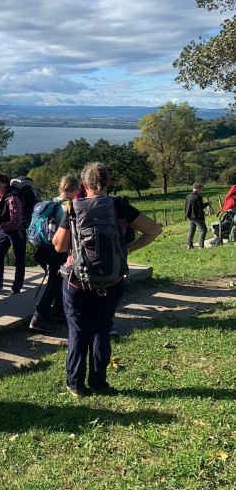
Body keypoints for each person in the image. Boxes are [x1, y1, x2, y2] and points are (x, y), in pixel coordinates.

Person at [53, 162, 161, 397]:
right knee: (101, 330)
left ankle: (75, 384)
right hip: (111, 281)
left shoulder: (73, 207)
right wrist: (126, 250)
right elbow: (153, 230)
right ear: (108, 183)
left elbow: (60, 245)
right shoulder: (117, 205)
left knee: (78, 331)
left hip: (77, 281)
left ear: (83, 185)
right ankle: (99, 383)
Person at [29, 174, 79, 333]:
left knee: (57, 281)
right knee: (55, 283)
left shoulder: (50, 203)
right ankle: (40, 316)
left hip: (43, 249)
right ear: (75, 189)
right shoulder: (68, 206)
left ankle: (58, 311)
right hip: (59, 250)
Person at [0, 173, 26, 294]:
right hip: (5, 230)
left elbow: (16, 222)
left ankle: (16, 287)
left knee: (18, 260)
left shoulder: (13, 198)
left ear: (4, 182)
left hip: (16, 232)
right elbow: (2, 215)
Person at [184, 182, 210, 249]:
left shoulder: (188, 196)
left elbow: (186, 206)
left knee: (191, 230)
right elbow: (200, 207)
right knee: (203, 230)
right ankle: (201, 246)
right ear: (197, 188)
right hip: (197, 216)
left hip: (189, 216)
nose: (201, 190)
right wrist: (207, 203)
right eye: (200, 189)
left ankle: (190, 245)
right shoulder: (198, 197)